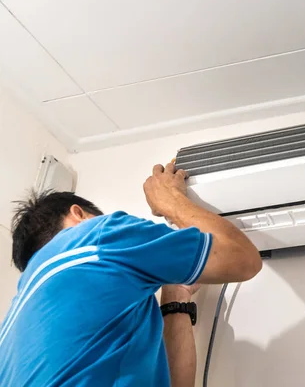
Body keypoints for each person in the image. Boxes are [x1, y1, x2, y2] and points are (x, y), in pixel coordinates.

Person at [0, 163, 262, 386]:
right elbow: (242, 258)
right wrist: (169, 200)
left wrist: (176, 293)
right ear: (78, 214)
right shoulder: (93, 238)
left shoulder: (9, 337)